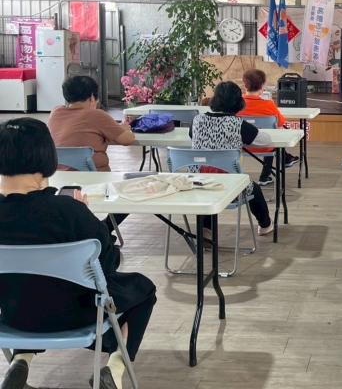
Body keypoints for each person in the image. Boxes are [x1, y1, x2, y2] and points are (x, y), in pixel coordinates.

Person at [0, 118, 156, 389]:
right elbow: (107, 265)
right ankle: (115, 368)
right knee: (142, 289)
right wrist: (85, 214)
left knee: (26, 287)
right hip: (77, 315)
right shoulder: (67, 211)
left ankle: (20, 360)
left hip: (14, 318)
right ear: (46, 155)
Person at [47, 75, 135, 238]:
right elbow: (127, 140)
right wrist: (122, 129)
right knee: (131, 191)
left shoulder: (55, 113)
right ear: (92, 97)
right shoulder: (96, 115)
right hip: (94, 181)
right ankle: (104, 229)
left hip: (58, 181)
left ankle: (95, 230)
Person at [190, 81, 272, 236]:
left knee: (209, 185)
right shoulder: (238, 124)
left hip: (198, 182)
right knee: (253, 188)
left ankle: (206, 229)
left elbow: (191, 136)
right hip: (230, 186)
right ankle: (265, 225)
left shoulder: (197, 120)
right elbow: (265, 141)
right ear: (238, 102)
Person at [238, 68, 299, 186]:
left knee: (266, 137)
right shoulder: (269, 104)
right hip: (266, 146)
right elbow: (280, 123)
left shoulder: (236, 104)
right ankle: (265, 176)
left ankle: (284, 160)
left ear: (245, 85)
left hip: (241, 146)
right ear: (262, 86)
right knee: (270, 138)